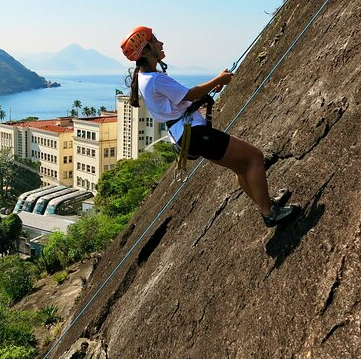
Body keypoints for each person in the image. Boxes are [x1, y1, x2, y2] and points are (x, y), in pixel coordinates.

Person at [121, 25, 299, 227]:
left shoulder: (144, 77)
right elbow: (188, 94)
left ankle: (267, 206)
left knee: (241, 167)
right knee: (254, 158)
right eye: (155, 41)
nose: (160, 43)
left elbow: (180, 101)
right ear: (145, 51)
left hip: (186, 134)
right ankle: (269, 213)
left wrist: (212, 86)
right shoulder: (155, 79)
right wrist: (219, 79)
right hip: (194, 133)